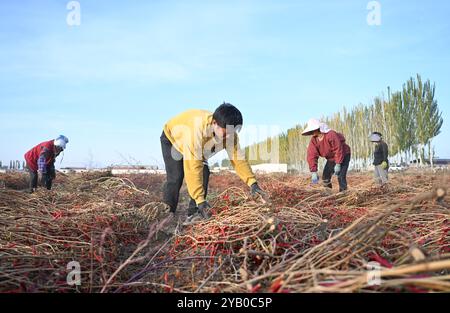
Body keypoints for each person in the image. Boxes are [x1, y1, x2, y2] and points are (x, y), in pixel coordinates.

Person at [161, 103, 266, 224]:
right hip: (172, 139)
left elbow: (238, 159)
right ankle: (167, 216)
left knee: (204, 172)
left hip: (197, 146)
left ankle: (194, 213)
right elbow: (192, 167)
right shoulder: (197, 131)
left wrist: (253, 184)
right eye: (225, 133)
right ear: (214, 123)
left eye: (231, 133)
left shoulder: (230, 134)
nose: (228, 137)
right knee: (176, 177)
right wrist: (200, 200)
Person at [302, 119, 351, 192]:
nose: (312, 132)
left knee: (340, 176)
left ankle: (343, 193)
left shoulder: (330, 134)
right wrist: (313, 171)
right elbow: (311, 155)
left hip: (343, 155)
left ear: (318, 128)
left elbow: (338, 149)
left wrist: (338, 164)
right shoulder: (314, 140)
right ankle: (328, 192)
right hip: (331, 158)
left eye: (313, 130)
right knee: (325, 177)